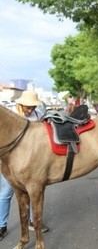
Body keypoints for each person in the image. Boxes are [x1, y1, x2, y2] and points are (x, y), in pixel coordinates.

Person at [0, 90, 50, 240]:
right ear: (20, 104)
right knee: (6, 192)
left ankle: (33, 221)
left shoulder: (38, 114)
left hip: (31, 161)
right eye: (27, 107)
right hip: (11, 161)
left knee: (32, 191)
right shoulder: (11, 115)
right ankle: (2, 225)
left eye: (32, 107)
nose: (30, 110)